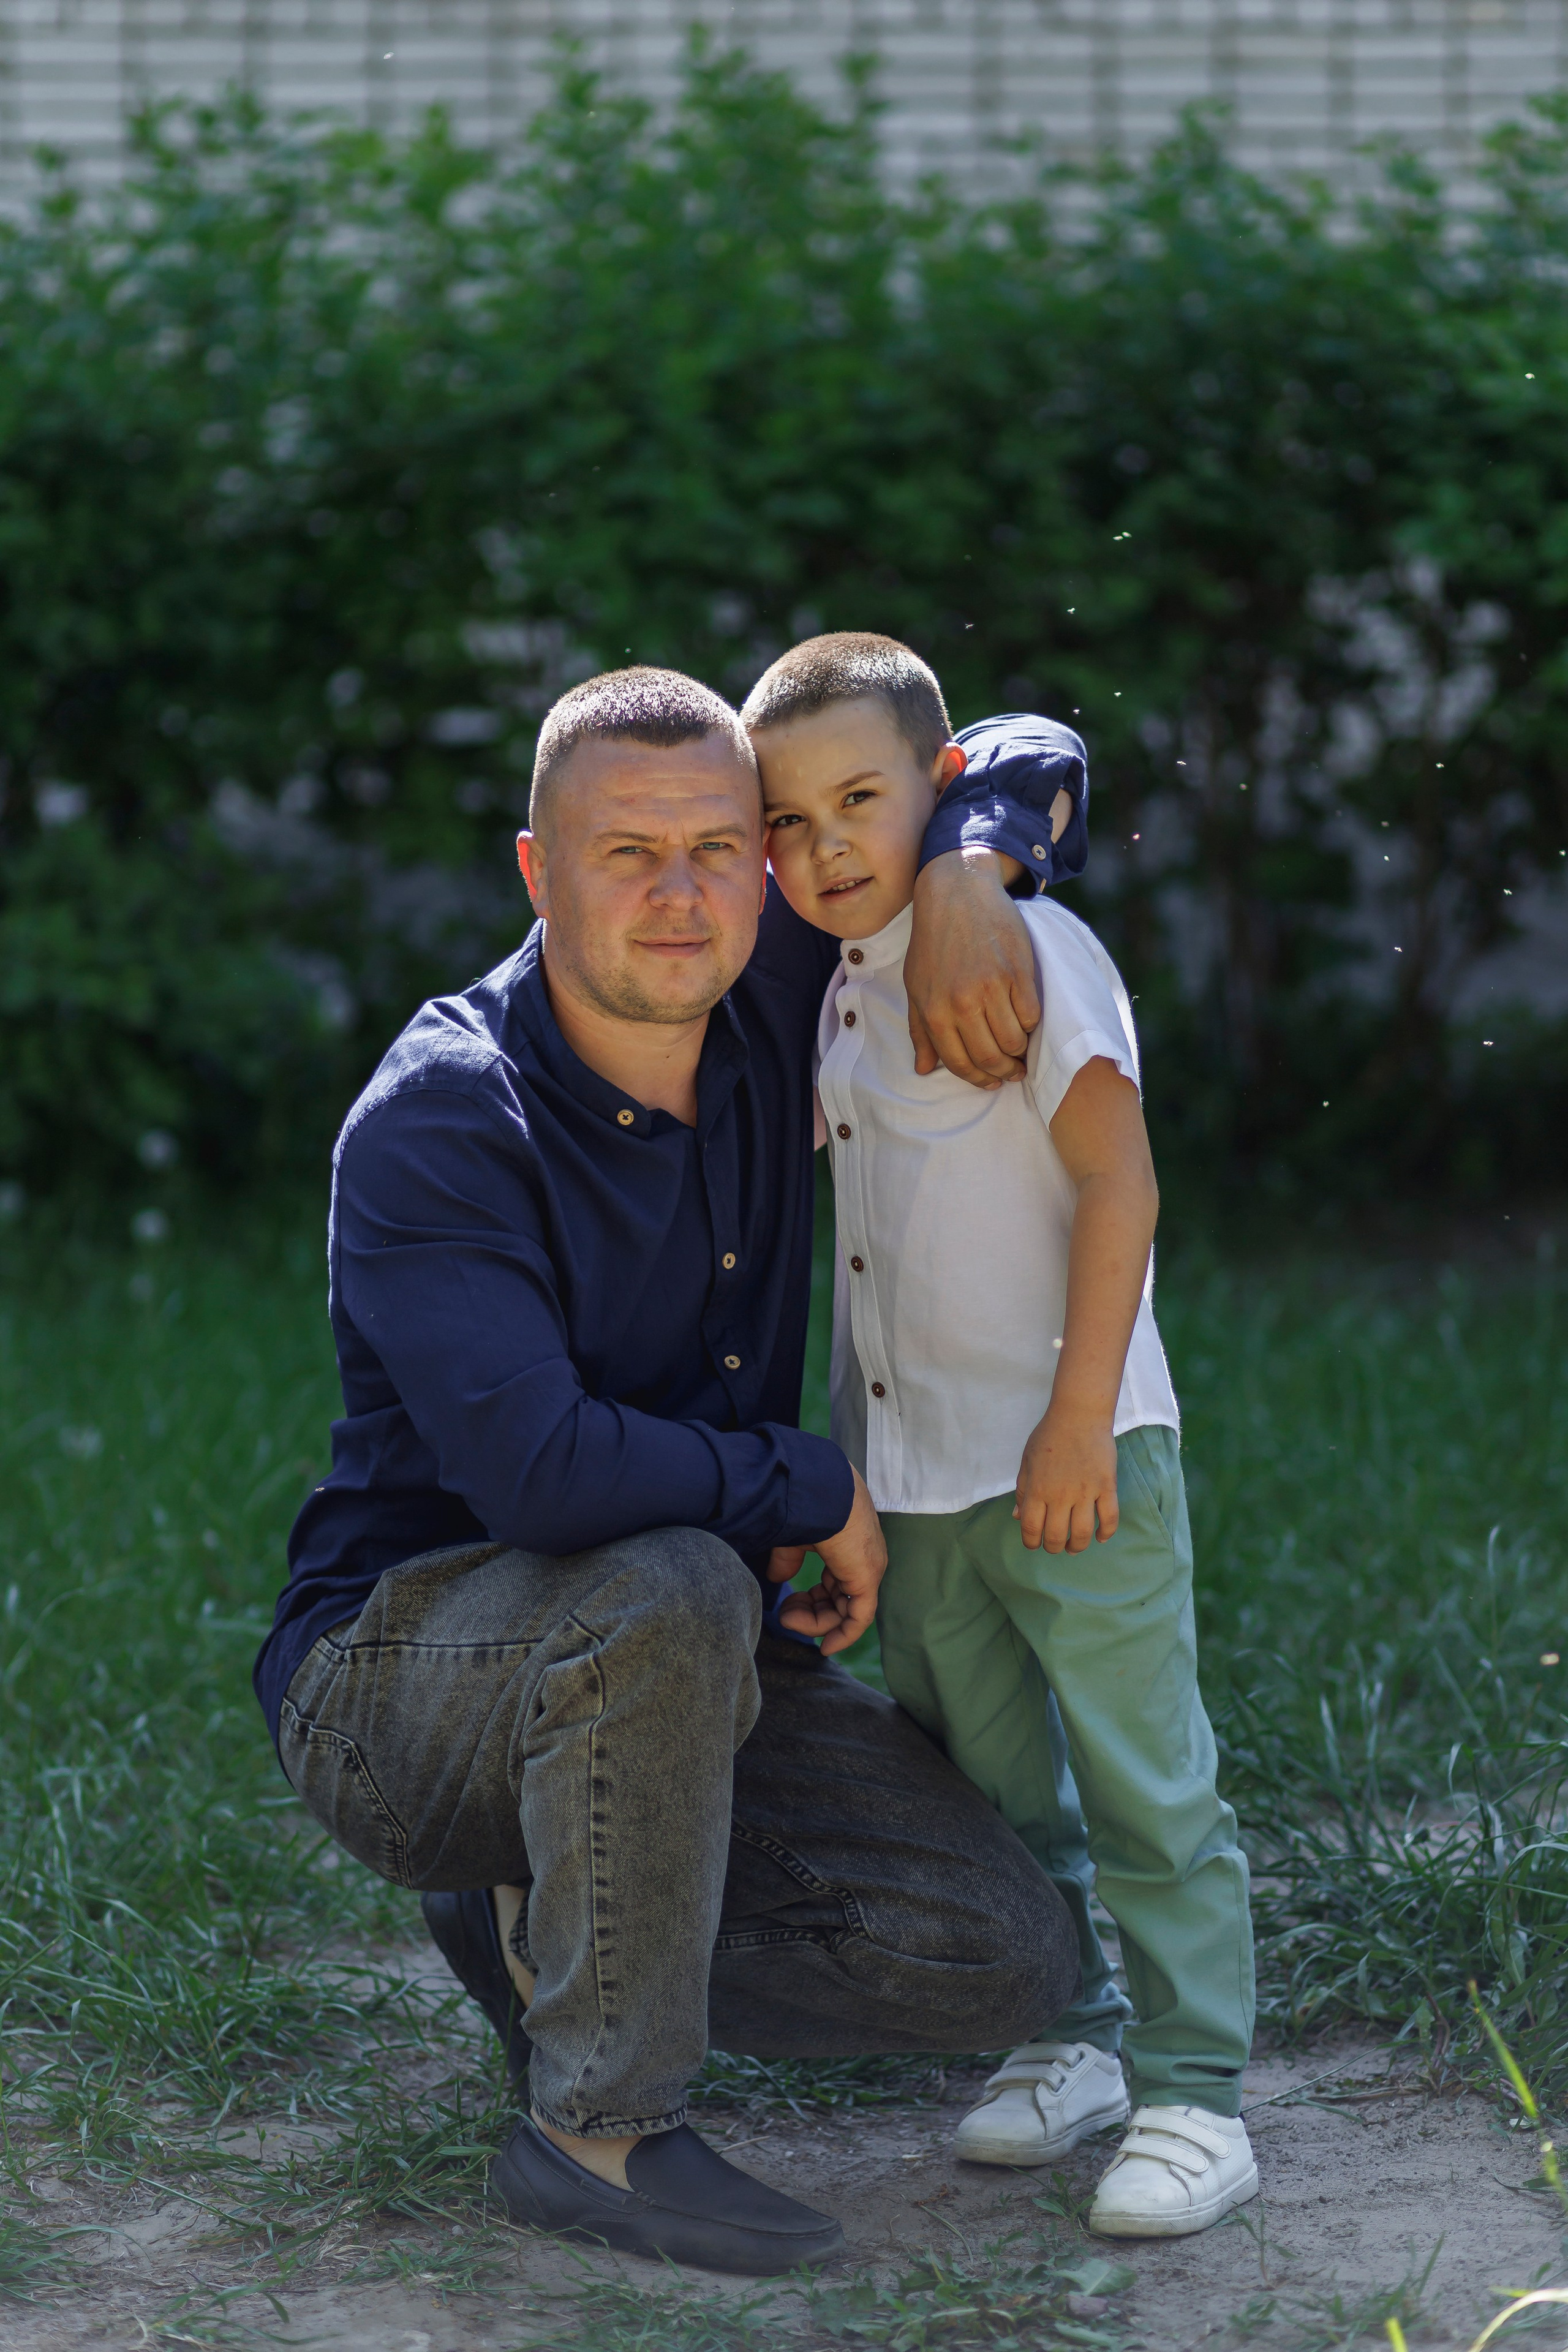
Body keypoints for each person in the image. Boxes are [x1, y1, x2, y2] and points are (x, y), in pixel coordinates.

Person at [254, 665, 1086, 2278]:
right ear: (536, 871)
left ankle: (541, 1928)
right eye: (628, 854)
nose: (684, 893)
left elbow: (1017, 745)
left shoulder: (771, 981)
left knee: (1004, 1954)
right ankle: (597, 2134)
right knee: (670, 1574)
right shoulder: (439, 1118)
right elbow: (550, 1480)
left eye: (719, 847)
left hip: (673, 1666)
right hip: (400, 1673)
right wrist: (803, 1482)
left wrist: (974, 869)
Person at [747, 633, 1258, 2242]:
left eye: (860, 803)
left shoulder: (1029, 942)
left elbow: (1124, 1185)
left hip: (1072, 1458)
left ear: (942, 790)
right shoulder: (831, 997)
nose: (824, 847)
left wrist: (1078, 1423)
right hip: (916, 1486)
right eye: (788, 820)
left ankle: (1198, 2092)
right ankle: (1077, 2037)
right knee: (993, 1785)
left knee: (1142, 1780)